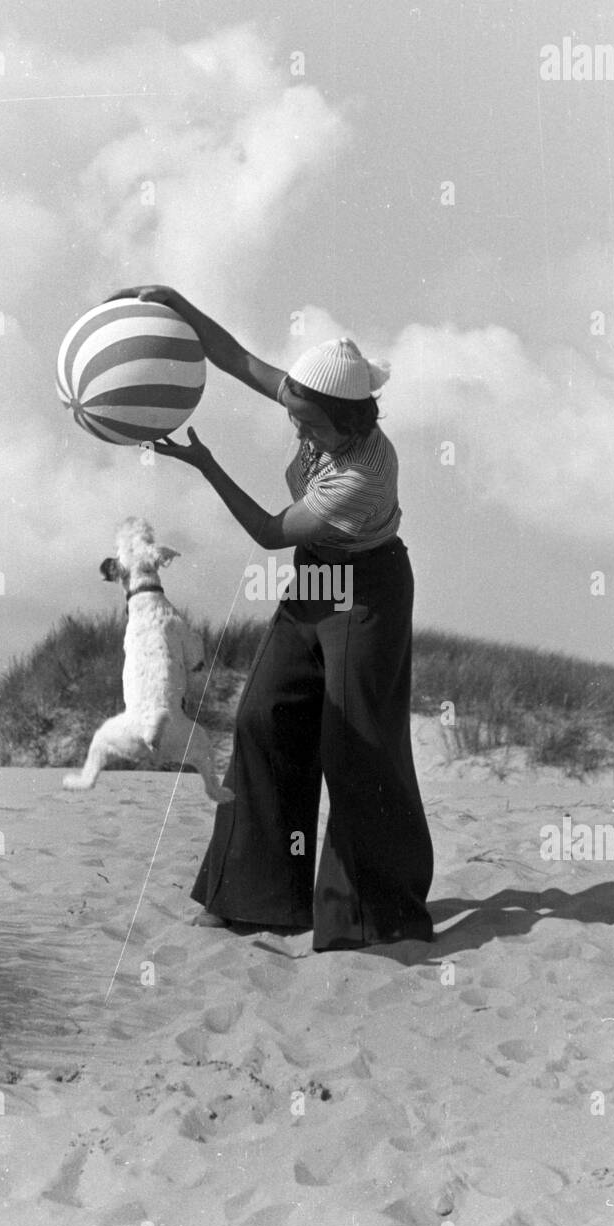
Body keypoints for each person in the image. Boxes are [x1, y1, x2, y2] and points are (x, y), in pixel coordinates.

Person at [105, 284, 435, 951]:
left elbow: (265, 530)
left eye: (310, 425)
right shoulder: (313, 399)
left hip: (366, 592)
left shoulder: (362, 473)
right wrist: (174, 303)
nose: (297, 429)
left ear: (353, 422)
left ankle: (372, 915)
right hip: (316, 575)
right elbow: (231, 356)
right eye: (295, 416)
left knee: (357, 745)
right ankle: (254, 897)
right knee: (263, 717)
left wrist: (204, 462)